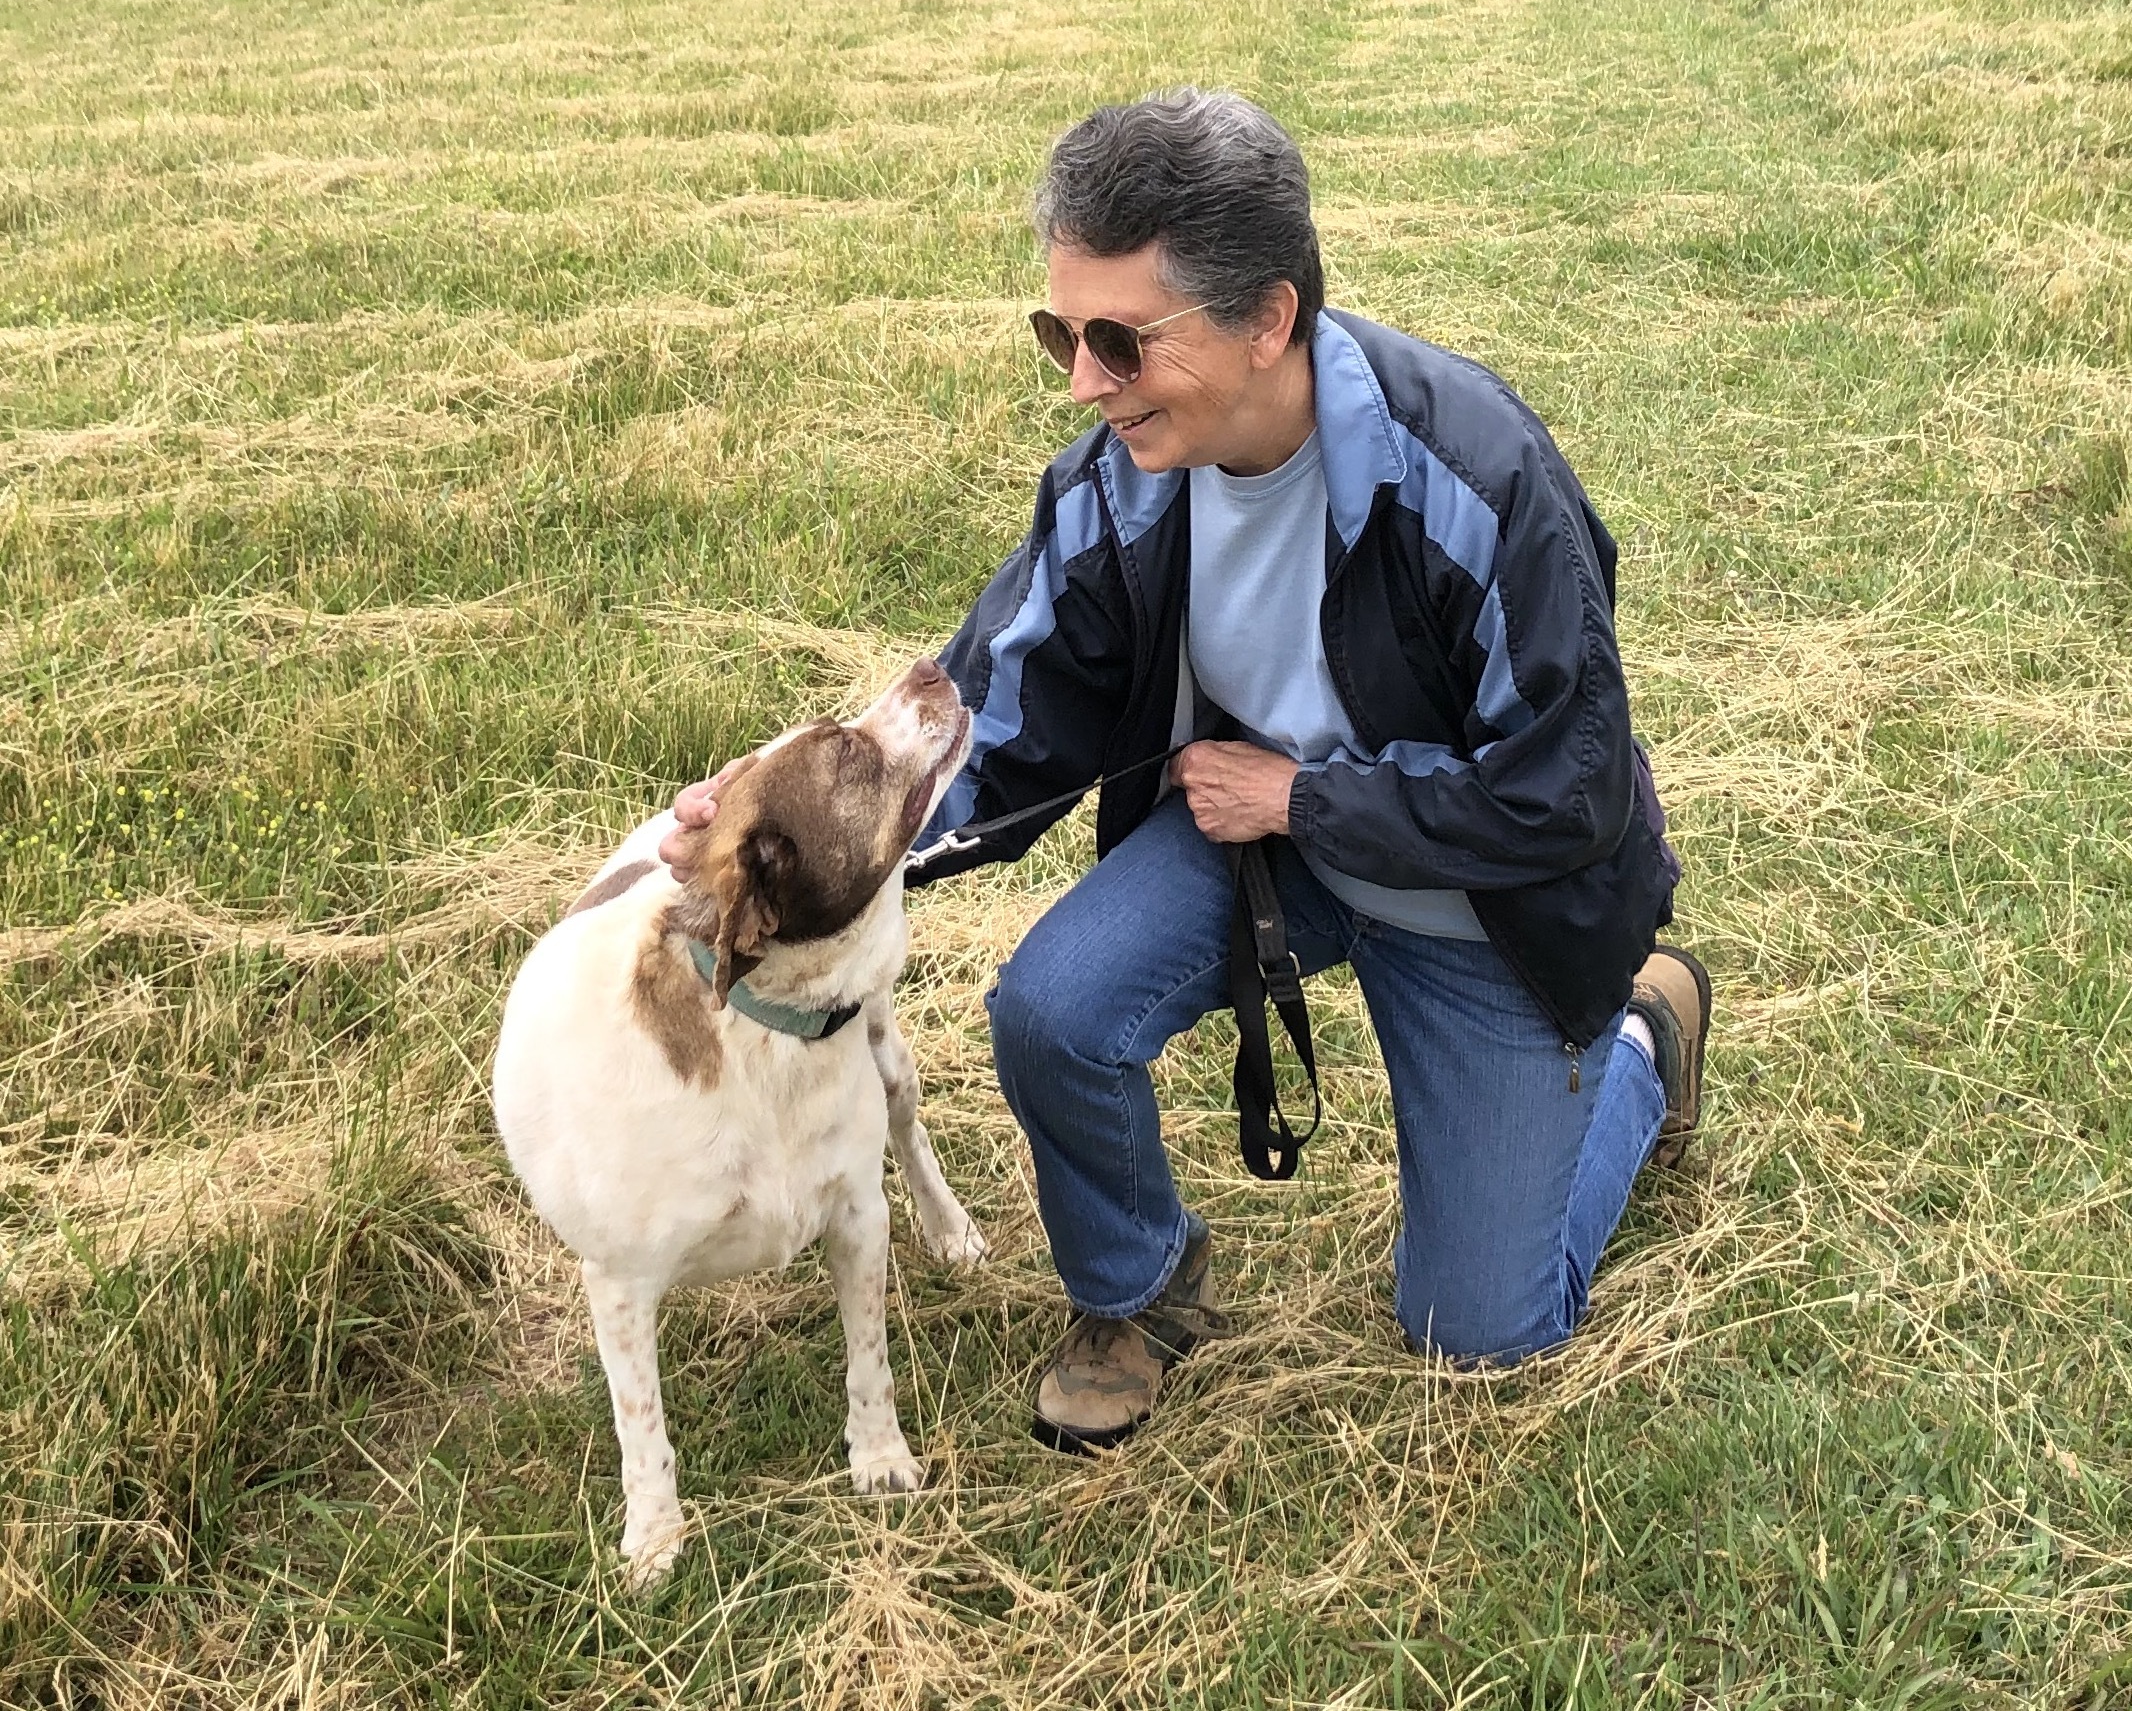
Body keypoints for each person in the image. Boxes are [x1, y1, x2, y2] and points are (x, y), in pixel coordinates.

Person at [664, 88, 1709, 1454]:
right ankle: (1137, 1286)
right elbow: (991, 708)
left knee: (1482, 1334)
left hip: (1483, 894)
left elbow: (1566, 791)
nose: (1084, 381)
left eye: (1117, 340)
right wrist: (782, 833)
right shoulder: (1126, 478)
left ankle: (1641, 1038)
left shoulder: (1477, 476)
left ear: (1268, 318)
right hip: (1265, 845)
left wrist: (1306, 797)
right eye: (1061, 333)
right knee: (1051, 1006)